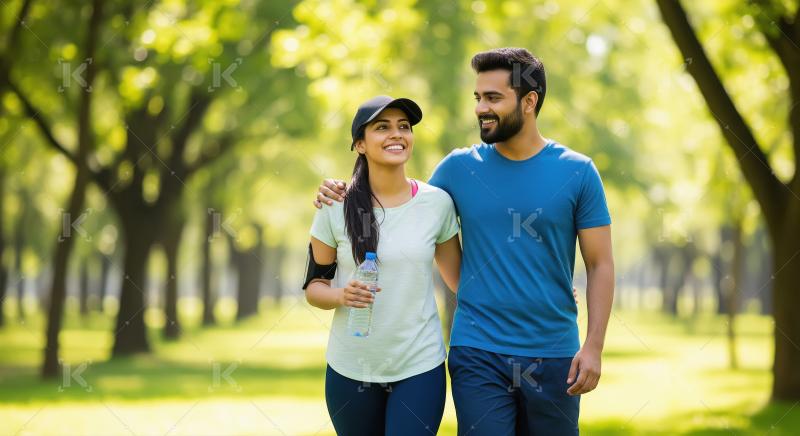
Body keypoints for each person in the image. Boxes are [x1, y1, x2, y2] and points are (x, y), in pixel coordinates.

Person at [314, 48, 615, 435]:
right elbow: (402, 204)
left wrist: (593, 346)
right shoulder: (458, 169)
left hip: (554, 349)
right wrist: (341, 189)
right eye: (477, 98)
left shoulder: (578, 172)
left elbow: (600, 263)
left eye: (493, 98)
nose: (480, 108)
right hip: (477, 350)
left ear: (529, 101)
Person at [303, 95, 463, 436]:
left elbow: (462, 282)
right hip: (350, 367)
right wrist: (343, 295)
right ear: (359, 144)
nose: (397, 134)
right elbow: (314, 289)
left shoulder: (437, 204)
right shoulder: (334, 205)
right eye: (382, 127)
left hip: (419, 365)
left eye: (404, 127)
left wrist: (541, 289)